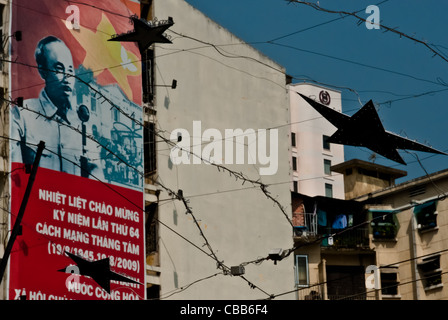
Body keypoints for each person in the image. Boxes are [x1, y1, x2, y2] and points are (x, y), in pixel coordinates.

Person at [11, 36, 102, 179]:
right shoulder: (22, 114)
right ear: (43, 72)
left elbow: (97, 182)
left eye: (70, 70)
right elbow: (14, 177)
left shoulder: (83, 125)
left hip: (72, 200)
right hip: (36, 199)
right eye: (59, 69)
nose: (67, 77)